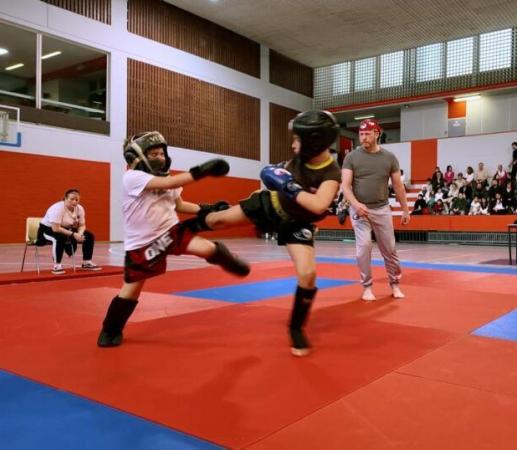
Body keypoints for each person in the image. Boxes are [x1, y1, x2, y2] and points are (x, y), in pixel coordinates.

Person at [205, 110, 342, 356]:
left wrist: (288, 185)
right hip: (271, 205)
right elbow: (276, 174)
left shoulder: (331, 172)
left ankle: (296, 327)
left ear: (313, 142)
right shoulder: (298, 158)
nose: (293, 144)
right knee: (216, 220)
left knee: (308, 274)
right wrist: (277, 175)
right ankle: (195, 217)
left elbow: (319, 204)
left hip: (297, 223)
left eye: (297, 140)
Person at [96, 131, 250, 348]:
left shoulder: (167, 179)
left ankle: (226, 258)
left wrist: (206, 208)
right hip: (143, 243)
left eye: (161, 153)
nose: (160, 157)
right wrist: (202, 171)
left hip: (171, 231)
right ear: (136, 158)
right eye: (154, 154)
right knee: (131, 290)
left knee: (206, 248)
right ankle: (111, 329)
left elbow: (178, 205)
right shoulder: (132, 177)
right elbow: (171, 183)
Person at [341, 118, 410, 302]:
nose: (362, 137)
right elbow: (345, 186)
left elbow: (398, 186)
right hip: (359, 210)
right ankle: (367, 287)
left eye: (366, 134)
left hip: (382, 209)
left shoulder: (389, 158)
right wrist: (355, 204)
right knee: (363, 248)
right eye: (361, 134)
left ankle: (395, 284)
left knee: (389, 249)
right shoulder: (351, 157)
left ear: (376, 134)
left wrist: (405, 210)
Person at [37, 188, 101, 274]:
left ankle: (87, 262)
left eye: (77, 200)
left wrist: (80, 234)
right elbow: (55, 228)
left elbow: (82, 225)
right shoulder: (57, 208)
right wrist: (74, 235)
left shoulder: (79, 208)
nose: (74, 202)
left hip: (67, 229)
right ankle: (57, 265)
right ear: (65, 198)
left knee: (89, 236)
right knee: (59, 238)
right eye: (71, 199)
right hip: (48, 229)